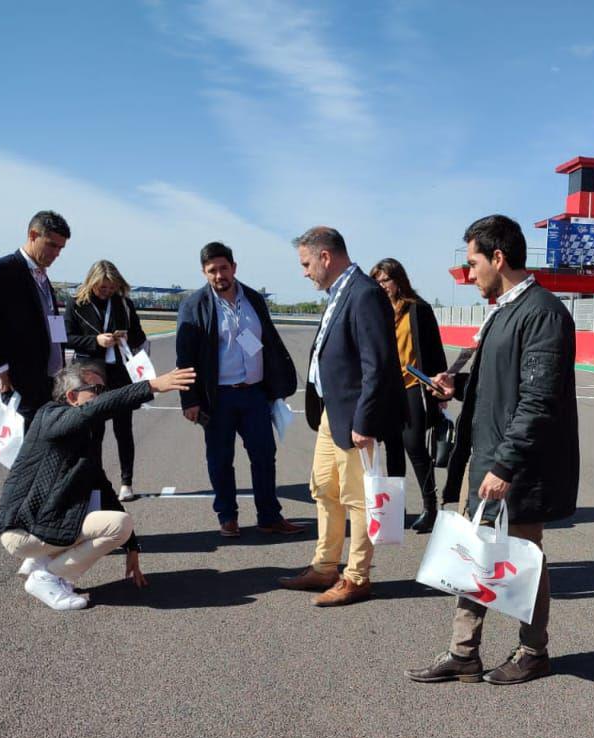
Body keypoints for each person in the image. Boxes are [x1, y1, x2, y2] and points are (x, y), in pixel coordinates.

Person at [406, 214, 579, 686]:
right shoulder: (505, 309)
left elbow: (538, 399)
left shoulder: (542, 313)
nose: (469, 273)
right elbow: (500, 384)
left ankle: (533, 650)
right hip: (487, 455)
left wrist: (505, 463)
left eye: (473, 262)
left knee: (524, 556)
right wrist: (457, 384)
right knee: (472, 555)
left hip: (515, 463)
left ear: (498, 258)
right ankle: (464, 652)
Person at [0, 360, 197, 611]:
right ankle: (47, 576)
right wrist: (153, 385)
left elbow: (104, 488)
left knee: (106, 512)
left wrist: (132, 546)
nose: (105, 397)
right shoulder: (50, 416)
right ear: (71, 397)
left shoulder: (83, 437)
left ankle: (42, 562)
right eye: (98, 391)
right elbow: (94, 410)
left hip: (39, 524)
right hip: (23, 529)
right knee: (116, 525)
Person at [278, 227, 404, 607]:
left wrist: (365, 423)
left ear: (326, 257)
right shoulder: (340, 293)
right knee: (323, 490)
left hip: (353, 419)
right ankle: (324, 565)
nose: (304, 272)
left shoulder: (364, 294)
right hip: (331, 413)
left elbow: (378, 365)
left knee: (357, 498)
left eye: (306, 263)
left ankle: (357, 576)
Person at [176, 242, 301, 538]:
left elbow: (266, 343)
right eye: (212, 271)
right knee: (220, 459)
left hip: (255, 394)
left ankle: (269, 516)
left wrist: (275, 385)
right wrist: (189, 399)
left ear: (234, 267)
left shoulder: (254, 299)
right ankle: (227, 517)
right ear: (204, 273)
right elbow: (185, 357)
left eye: (223, 268)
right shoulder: (194, 306)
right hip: (218, 397)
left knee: (264, 455)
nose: (219, 275)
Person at [0, 211, 72, 426]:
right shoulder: (3, 270)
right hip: (21, 385)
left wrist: (62, 364)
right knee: (23, 455)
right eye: (51, 245)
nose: (56, 253)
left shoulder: (43, 277)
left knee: (45, 453)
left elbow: (53, 323)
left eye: (61, 248)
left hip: (50, 383)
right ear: (33, 235)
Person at [370, 257, 448, 534]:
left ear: (398, 280)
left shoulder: (419, 310)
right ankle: (394, 509)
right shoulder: (375, 311)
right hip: (387, 390)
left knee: (414, 446)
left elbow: (435, 350)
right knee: (392, 449)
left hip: (413, 385)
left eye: (386, 280)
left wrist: (439, 390)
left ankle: (431, 508)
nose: (381, 286)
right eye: (377, 281)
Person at [64, 260, 148, 502]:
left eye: (111, 288)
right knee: (94, 431)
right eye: (103, 288)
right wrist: (95, 341)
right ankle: (96, 482)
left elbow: (140, 336)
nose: (107, 292)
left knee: (124, 429)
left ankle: (126, 482)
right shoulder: (76, 304)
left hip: (120, 374)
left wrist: (126, 337)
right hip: (90, 374)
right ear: (92, 283)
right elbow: (66, 338)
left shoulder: (124, 303)